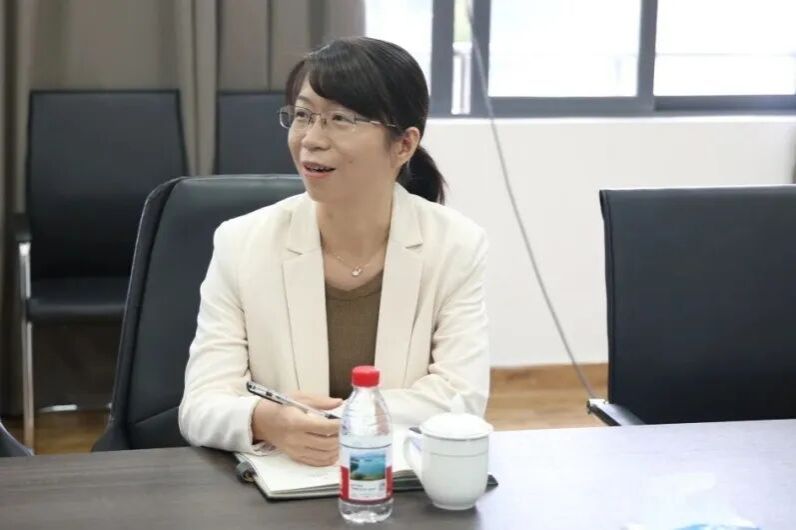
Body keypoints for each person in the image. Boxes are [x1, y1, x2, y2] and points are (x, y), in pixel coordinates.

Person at [179, 37, 489, 466]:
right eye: (302, 115)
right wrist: (266, 420)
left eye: (340, 119)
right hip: (282, 478)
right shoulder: (241, 243)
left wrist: (339, 420)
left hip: (395, 477)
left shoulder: (455, 244)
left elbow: (461, 397)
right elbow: (199, 405)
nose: (310, 139)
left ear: (403, 145)